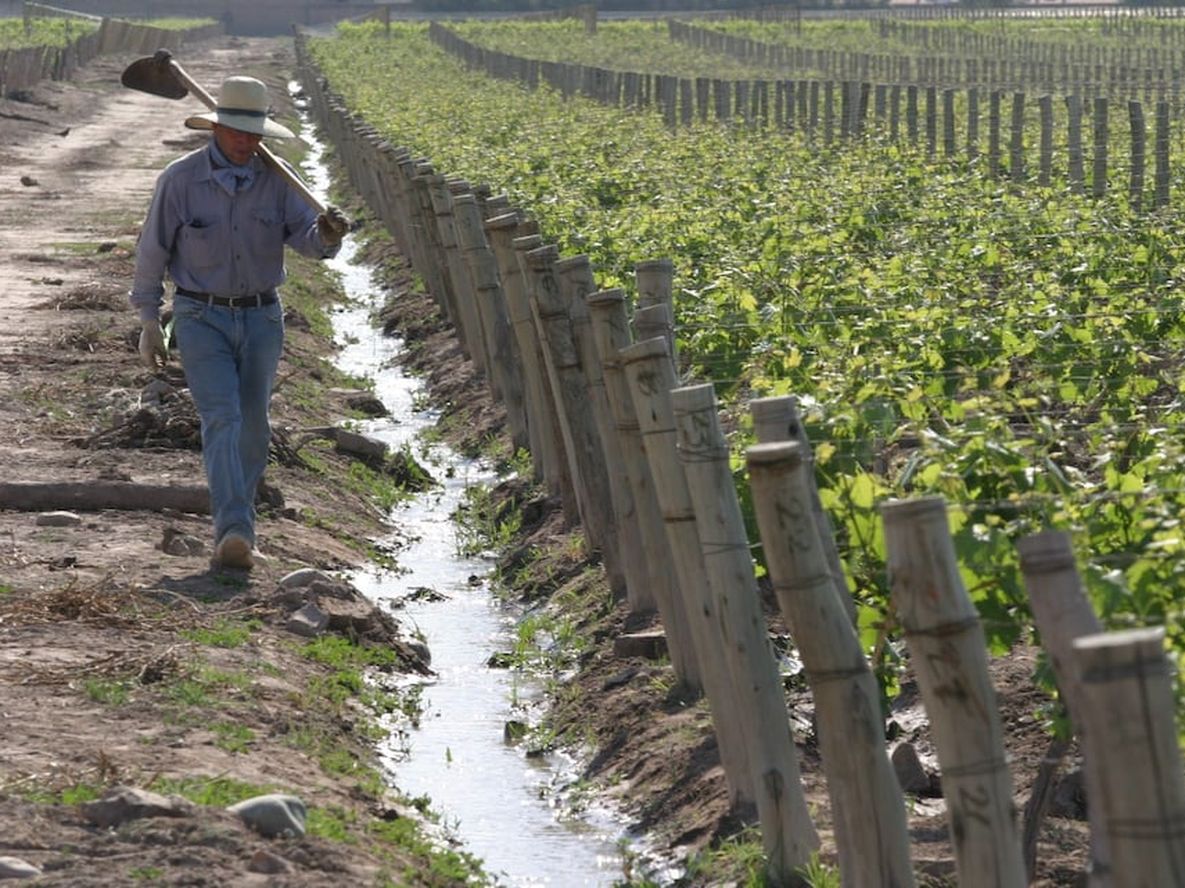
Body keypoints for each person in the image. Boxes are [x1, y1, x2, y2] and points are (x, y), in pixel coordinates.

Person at [130, 74, 350, 570]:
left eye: (254, 134)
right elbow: (152, 253)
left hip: (261, 317)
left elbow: (309, 241)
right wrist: (148, 319)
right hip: (198, 315)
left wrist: (329, 235)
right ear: (215, 128)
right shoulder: (180, 180)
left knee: (253, 428)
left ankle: (239, 519)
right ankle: (233, 531)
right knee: (222, 419)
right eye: (236, 131)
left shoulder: (279, 180)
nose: (245, 141)